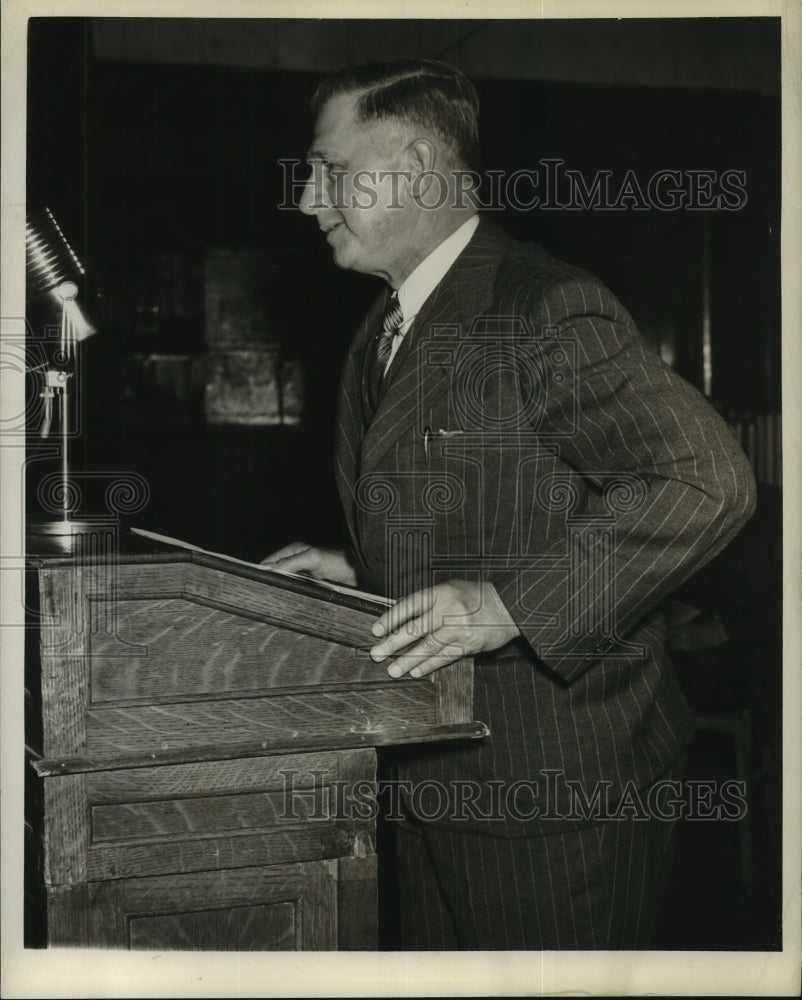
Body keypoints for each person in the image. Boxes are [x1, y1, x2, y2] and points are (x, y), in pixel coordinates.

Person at [265, 59, 756, 950]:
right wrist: (362, 569)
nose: (306, 199)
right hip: (431, 774)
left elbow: (704, 479)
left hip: (556, 792)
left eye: (329, 169)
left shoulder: (543, 306)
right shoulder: (383, 326)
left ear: (414, 163)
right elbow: (494, 506)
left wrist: (506, 605)